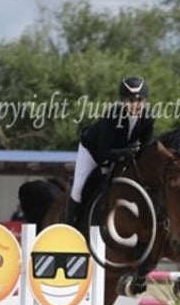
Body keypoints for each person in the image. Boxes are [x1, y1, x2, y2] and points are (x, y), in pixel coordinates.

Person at [65, 75, 155, 226]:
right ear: (123, 101)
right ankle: (69, 226)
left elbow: (147, 148)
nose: (136, 105)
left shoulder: (148, 118)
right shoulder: (111, 117)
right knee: (78, 189)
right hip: (93, 152)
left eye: (140, 101)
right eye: (131, 101)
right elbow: (103, 153)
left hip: (120, 153)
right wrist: (126, 152)